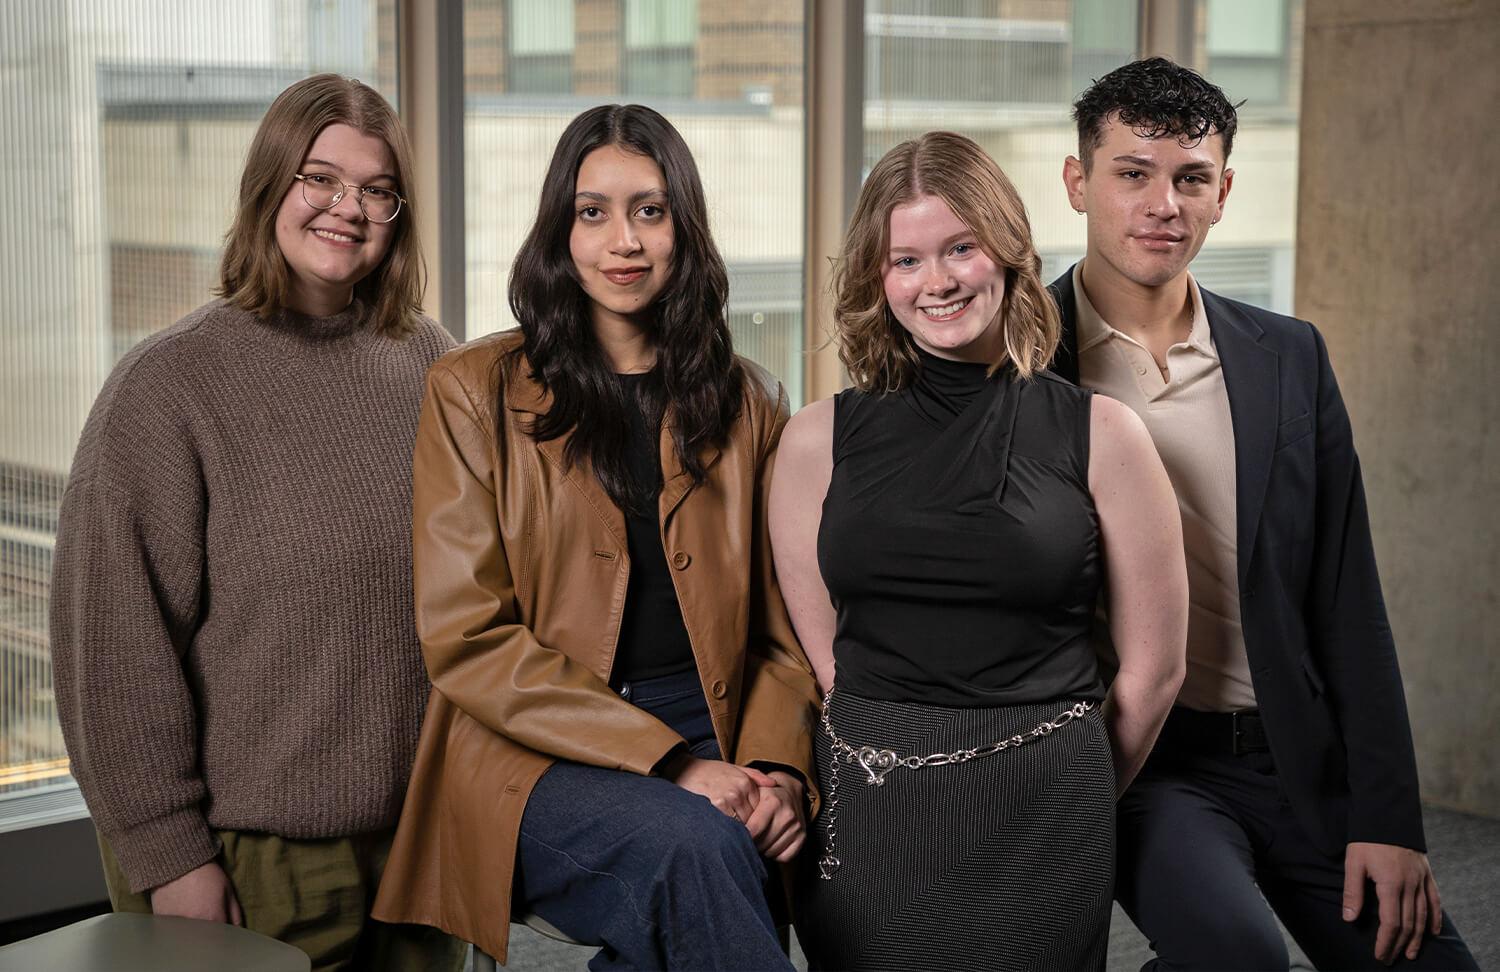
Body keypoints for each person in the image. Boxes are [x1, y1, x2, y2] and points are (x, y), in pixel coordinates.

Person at [1051, 56, 1478, 971]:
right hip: (1146, 765)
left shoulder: (1289, 356)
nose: (1164, 204)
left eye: (1191, 178)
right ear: (1079, 182)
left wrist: (1391, 819)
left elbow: (1347, 598)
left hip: (1295, 753)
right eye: (1133, 173)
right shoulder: (1023, 361)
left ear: (1224, 193)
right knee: (1239, 957)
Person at [368, 104, 820, 969]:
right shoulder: (471, 390)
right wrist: (672, 765)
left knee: (730, 867)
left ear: (685, 228)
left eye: (651, 210)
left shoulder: (750, 401)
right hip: (535, 751)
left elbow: (779, 635)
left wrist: (780, 772)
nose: (625, 241)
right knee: (700, 849)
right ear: (560, 231)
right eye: (593, 212)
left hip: (722, 722)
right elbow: (467, 638)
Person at [49, 74, 466, 970]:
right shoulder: (168, 386)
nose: (347, 209)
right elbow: (112, 649)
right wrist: (171, 858)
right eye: (321, 179)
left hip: (422, 848)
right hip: (255, 862)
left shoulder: (434, 365)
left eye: (377, 190)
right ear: (271, 183)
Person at [770, 130, 1188, 971]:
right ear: (877, 277)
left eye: (960, 248)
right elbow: (826, 660)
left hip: (1049, 808)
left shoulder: (1105, 434)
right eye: (907, 260)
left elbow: (1156, 669)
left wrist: (1076, 792)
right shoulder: (815, 440)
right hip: (872, 798)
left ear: (1006, 248)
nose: (938, 282)